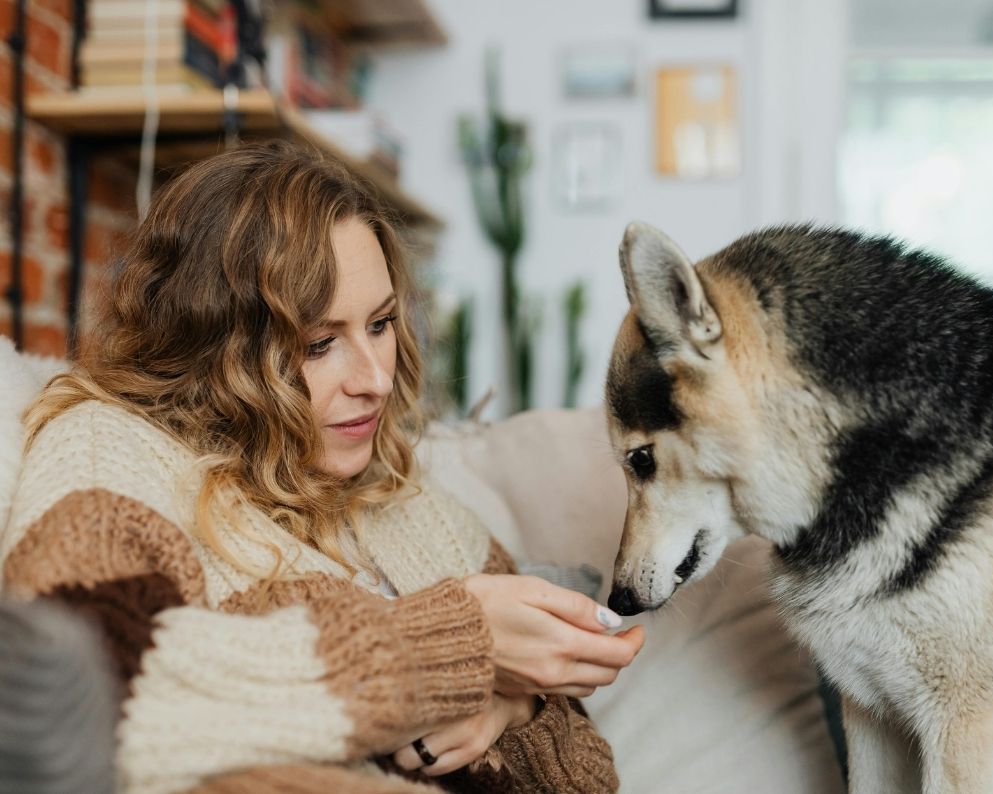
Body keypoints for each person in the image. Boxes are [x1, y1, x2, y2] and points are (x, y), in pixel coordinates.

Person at [0, 140, 644, 793]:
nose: (375, 379)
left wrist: (512, 703)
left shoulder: (405, 499)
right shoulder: (113, 448)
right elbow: (74, 694)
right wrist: (451, 651)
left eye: (382, 323)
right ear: (213, 341)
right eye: (320, 342)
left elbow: (585, 768)